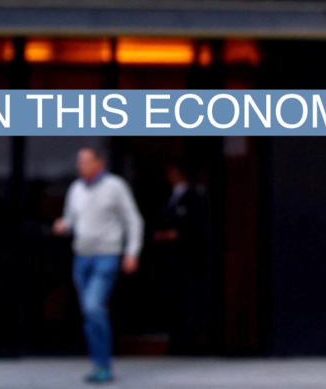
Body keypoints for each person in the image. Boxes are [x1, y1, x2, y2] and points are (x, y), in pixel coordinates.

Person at [53, 146, 144, 384]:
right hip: (82, 257)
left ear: (99, 164)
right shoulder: (76, 189)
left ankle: (103, 364)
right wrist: (64, 225)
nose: (81, 167)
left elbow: (133, 220)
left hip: (107, 255)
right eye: (79, 163)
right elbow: (71, 219)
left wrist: (132, 252)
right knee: (90, 311)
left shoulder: (115, 187)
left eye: (85, 162)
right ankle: (98, 363)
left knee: (93, 307)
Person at [151, 159, 210, 354]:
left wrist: (173, 234)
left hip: (187, 258)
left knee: (188, 298)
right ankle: (176, 338)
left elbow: (195, 225)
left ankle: (189, 340)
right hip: (170, 259)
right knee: (174, 298)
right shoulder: (168, 195)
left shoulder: (193, 196)